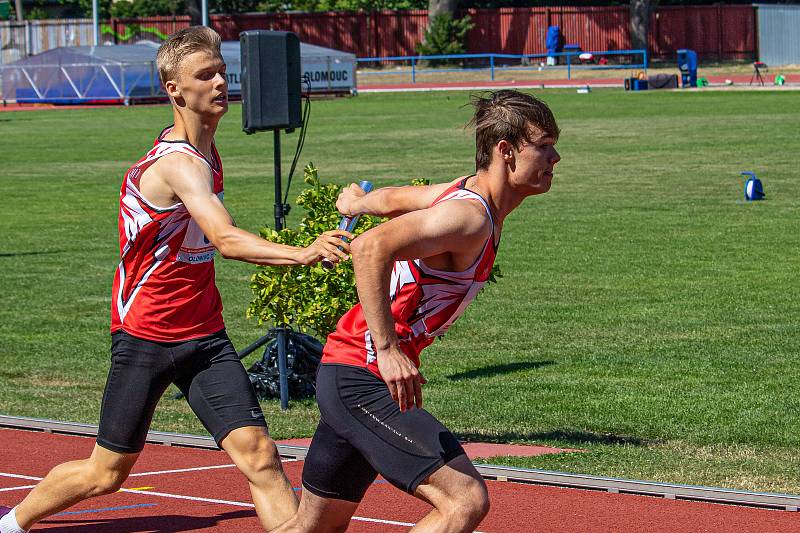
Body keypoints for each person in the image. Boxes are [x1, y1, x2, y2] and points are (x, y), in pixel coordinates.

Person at [0, 26, 352, 533]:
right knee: (107, 473)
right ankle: (13, 523)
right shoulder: (179, 165)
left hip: (204, 335)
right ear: (174, 90)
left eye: (222, 72)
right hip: (146, 335)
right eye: (204, 75)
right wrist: (304, 252)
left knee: (259, 455)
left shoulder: (208, 155)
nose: (219, 83)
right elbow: (226, 240)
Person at [275, 89, 561, 533]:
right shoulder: (469, 218)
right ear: (506, 151)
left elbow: (391, 199)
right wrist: (388, 349)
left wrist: (355, 204)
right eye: (543, 146)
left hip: (347, 375)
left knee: (312, 529)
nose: (555, 157)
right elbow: (369, 248)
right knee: (463, 500)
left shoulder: (460, 194)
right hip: (362, 377)